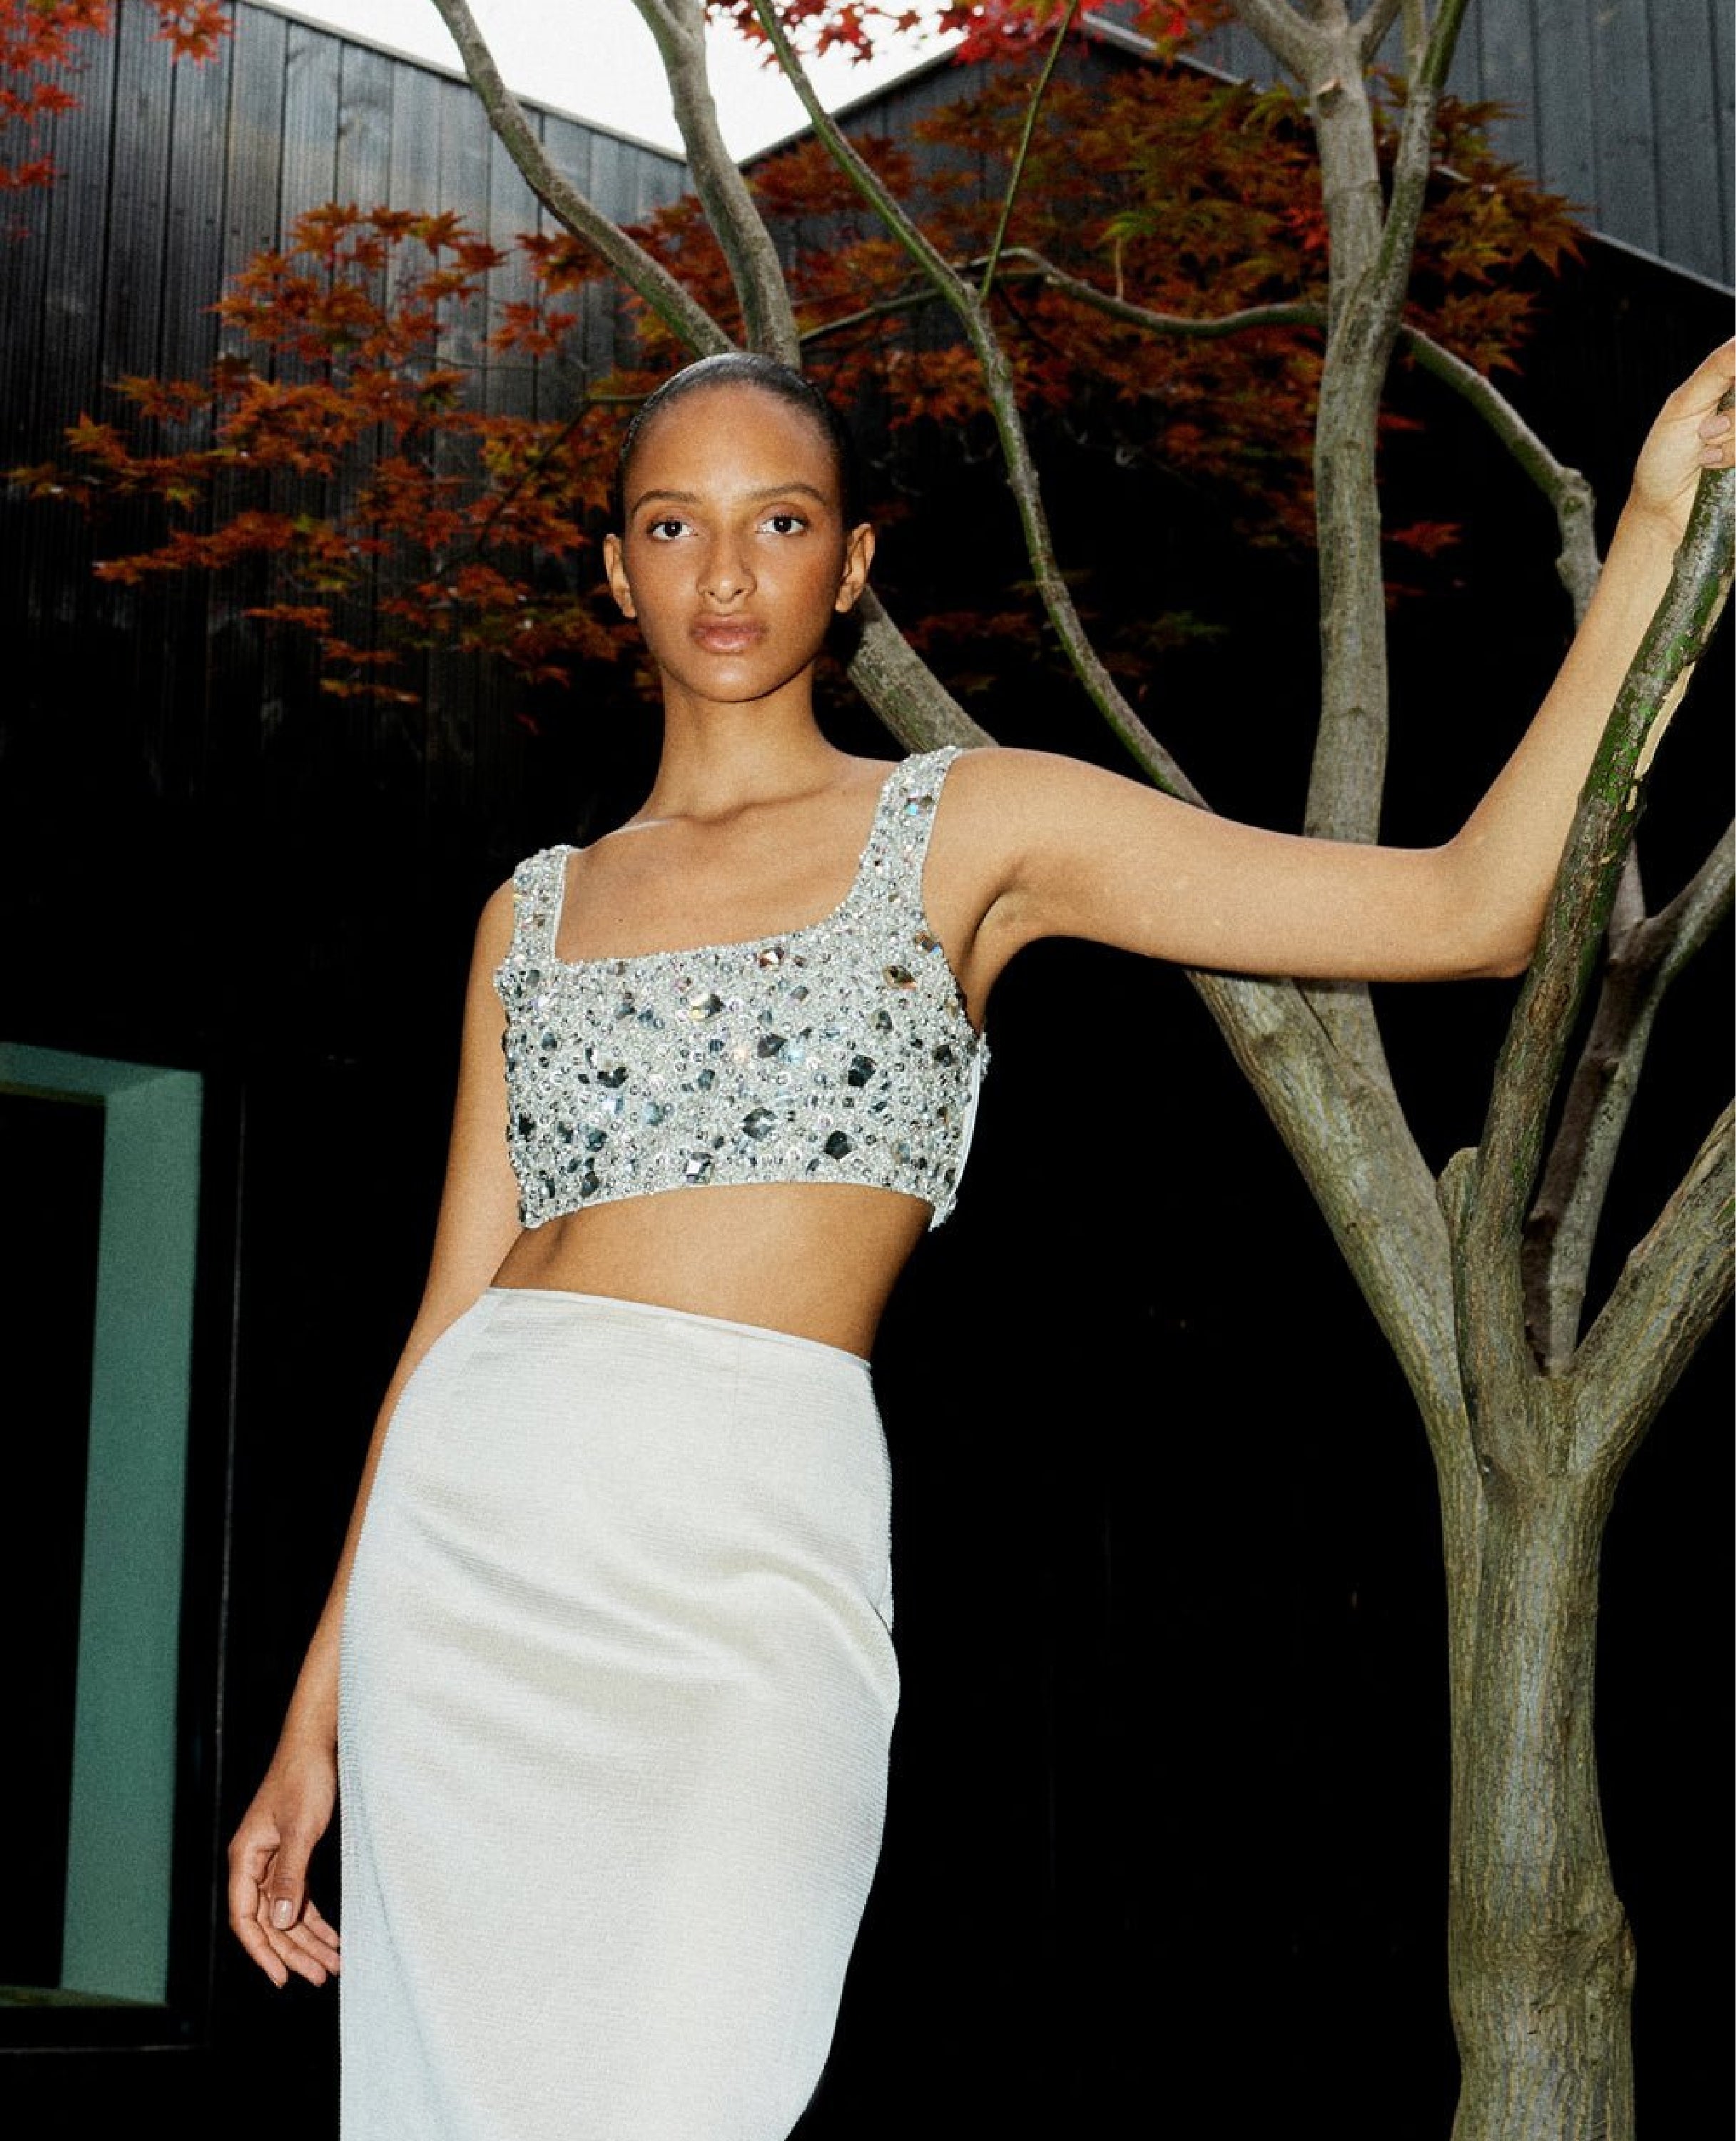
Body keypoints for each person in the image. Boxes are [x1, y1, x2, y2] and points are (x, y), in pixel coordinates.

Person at [227, 341, 1735, 2137]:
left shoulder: (969, 823)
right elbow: (444, 1316)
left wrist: (1660, 532)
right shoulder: (532, 909)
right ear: (611, 566)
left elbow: (1476, 906)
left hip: (747, 1555)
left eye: (777, 521)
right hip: (469, 1575)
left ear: (853, 563)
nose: (722, 575)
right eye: (671, 525)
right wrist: (316, 1714)